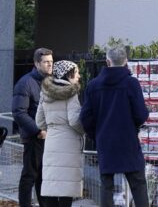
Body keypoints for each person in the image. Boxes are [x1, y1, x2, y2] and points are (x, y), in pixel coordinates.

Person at [80, 47, 150, 207]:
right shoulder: (131, 83)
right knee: (138, 185)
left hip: (105, 142)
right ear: (126, 62)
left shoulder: (93, 85)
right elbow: (141, 114)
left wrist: (96, 134)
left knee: (107, 185)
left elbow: (85, 117)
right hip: (129, 141)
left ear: (107, 61)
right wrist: (135, 126)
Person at [36, 60, 84, 207]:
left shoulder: (45, 92)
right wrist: (85, 130)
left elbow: (39, 122)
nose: (79, 76)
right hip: (68, 143)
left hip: (51, 142)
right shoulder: (71, 92)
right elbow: (74, 121)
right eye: (76, 72)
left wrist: (52, 127)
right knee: (66, 191)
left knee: (52, 186)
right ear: (68, 74)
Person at [13, 47, 53, 207]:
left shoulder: (51, 81)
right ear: (37, 63)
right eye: (46, 62)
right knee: (29, 175)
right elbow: (19, 112)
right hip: (34, 138)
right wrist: (38, 131)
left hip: (49, 137)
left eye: (51, 61)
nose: (50, 65)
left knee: (44, 176)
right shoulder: (25, 83)